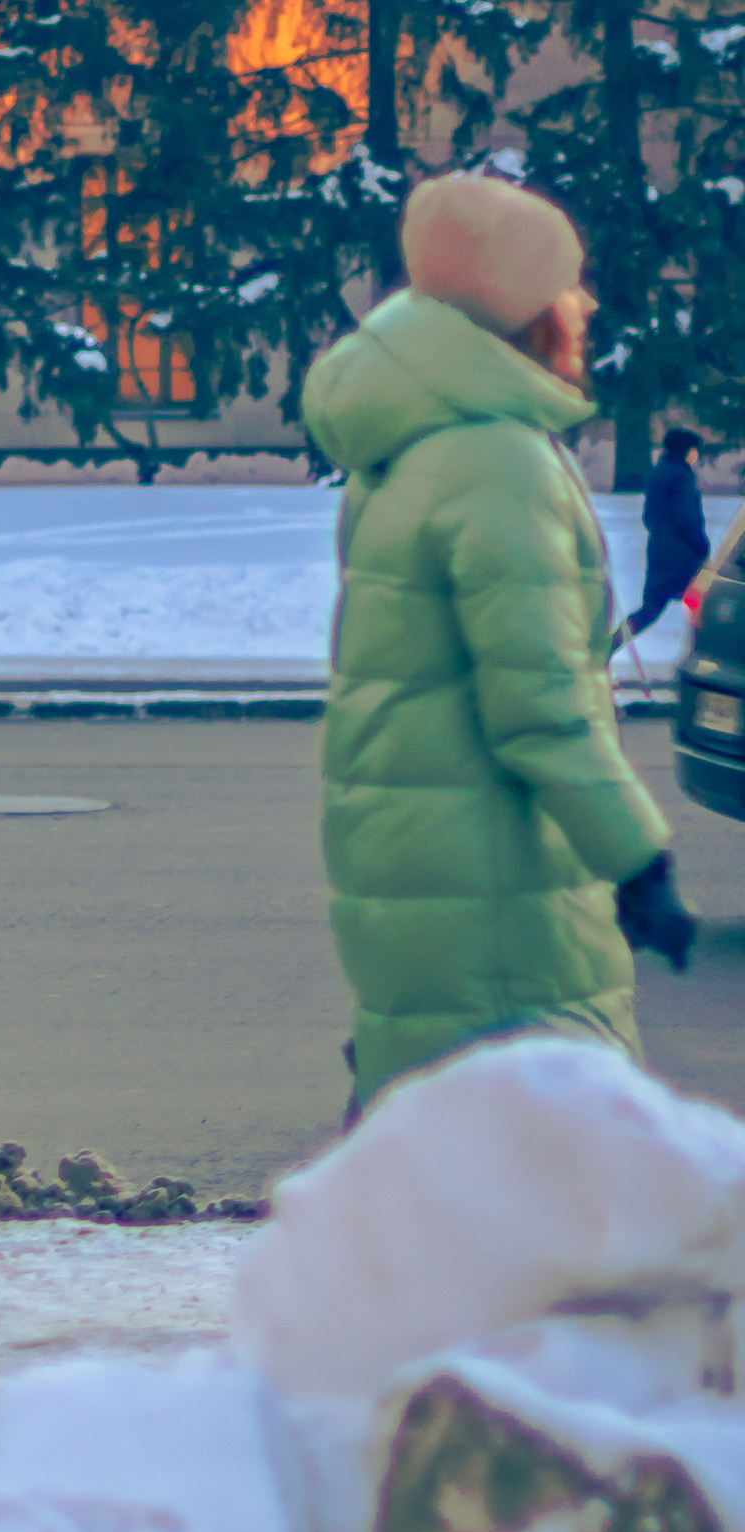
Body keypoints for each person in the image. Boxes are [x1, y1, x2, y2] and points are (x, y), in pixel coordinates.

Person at [303, 172, 696, 1114]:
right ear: (522, 311)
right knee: (535, 1167)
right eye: (566, 285)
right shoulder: (498, 458)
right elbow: (537, 704)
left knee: (433, 1131)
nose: (586, 304)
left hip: (420, 856)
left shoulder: (413, 441)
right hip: (493, 871)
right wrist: (639, 858)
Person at [627, 423, 711, 641]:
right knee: (704, 607)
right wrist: (702, 547)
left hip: (659, 551)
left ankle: (607, 646)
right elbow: (687, 519)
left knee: (650, 609)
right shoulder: (682, 477)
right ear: (687, 451)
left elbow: (648, 516)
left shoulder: (658, 473)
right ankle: (705, 656)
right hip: (683, 555)